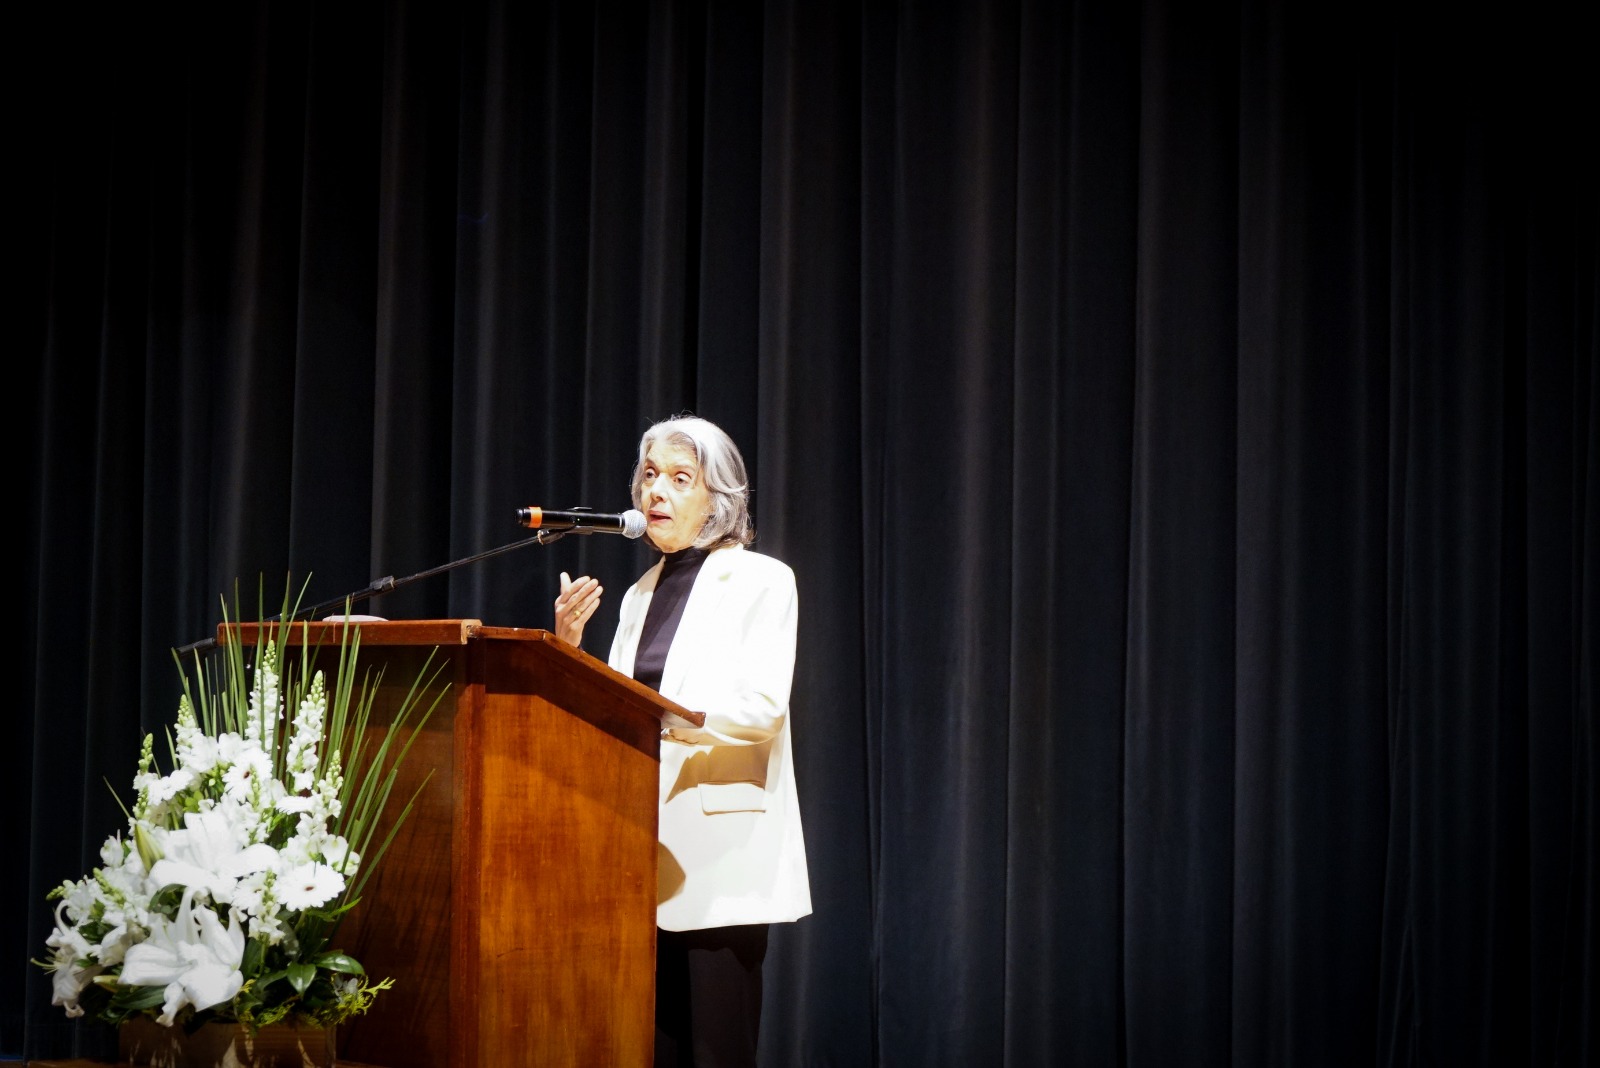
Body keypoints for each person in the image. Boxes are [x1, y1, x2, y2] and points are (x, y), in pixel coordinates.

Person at [553, 414, 811, 1068]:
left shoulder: (763, 580)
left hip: (723, 860)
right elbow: (613, 715)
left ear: (716, 497)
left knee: (718, 1051)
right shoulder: (638, 595)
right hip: (644, 858)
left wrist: (667, 716)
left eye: (678, 478)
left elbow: (762, 711)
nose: (655, 492)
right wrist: (568, 648)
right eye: (649, 475)